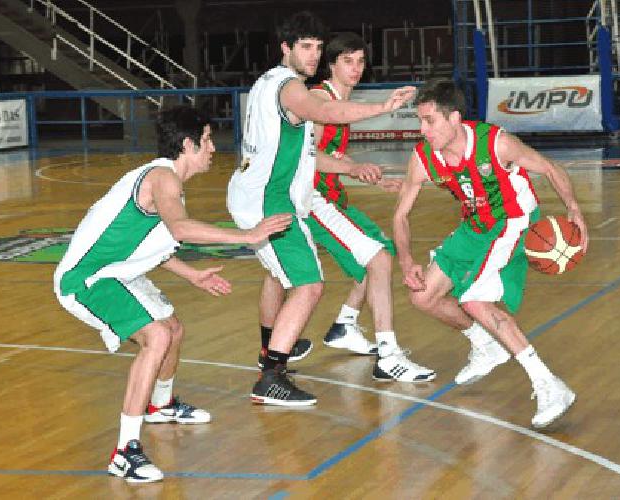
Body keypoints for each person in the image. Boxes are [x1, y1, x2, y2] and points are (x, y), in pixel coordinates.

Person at [53, 106, 293, 482]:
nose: (213, 148)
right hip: (86, 279)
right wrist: (247, 236)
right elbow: (180, 229)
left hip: (119, 272)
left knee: (173, 329)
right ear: (188, 144)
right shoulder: (163, 177)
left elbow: (158, 245)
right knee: (157, 336)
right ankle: (124, 451)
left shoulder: (166, 181)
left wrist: (192, 275)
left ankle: (160, 405)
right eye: (208, 139)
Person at [227, 11, 418, 405]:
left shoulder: (268, 82)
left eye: (317, 47)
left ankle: (272, 353)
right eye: (306, 47)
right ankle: (271, 376)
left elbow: (312, 154)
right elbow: (326, 113)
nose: (313, 55)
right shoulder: (291, 87)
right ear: (286, 48)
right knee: (310, 284)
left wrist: (358, 170)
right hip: (269, 198)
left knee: (284, 277)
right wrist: (385, 106)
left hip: (266, 193)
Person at [392, 79, 590, 429]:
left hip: (513, 220)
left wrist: (573, 208)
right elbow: (400, 215)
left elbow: (548, 167)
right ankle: (485, 344)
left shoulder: (495, 143)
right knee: (423, 296)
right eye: (419, 121)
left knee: (474, 301)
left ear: (454, 118)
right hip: (476, 225)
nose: (423, 130)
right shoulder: (423, 158)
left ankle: (549, 384)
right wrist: (407, 261)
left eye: (429, 121)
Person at [257, 32, 436, 383]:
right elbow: (308, 159)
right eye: (347, 61)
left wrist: (368, 176)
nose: (355, 68)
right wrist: (353, 168)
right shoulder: (320, 101)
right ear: (332, 65)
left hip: (314, 197)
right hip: (312, 200)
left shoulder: (336, 99)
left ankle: (324, 332)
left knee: (279, 273)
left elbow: (330, 155)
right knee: (380, 258)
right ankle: (384, 352)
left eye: (360, 61)